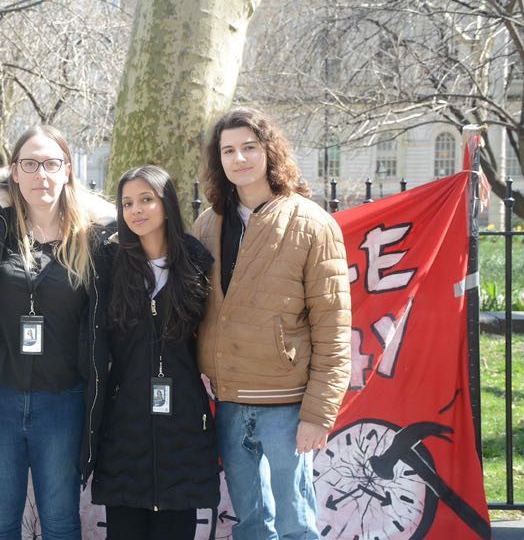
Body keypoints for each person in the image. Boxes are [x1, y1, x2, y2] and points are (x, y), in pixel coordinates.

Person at [0, 125, 115, 540]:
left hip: (64, 404)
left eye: (52, 164)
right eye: (30, 164)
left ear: (68, 171)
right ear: (14, 173)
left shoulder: (96, 237)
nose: (42, 175)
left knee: (59, 521)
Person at [192, 108, 351, 539]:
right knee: (249, 524)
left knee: (296, 524)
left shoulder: (311, 223)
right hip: (228, 400)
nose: (239, 158)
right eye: (228, 150)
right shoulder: (208, 223)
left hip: (287, 404)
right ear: (218, 159)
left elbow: (334, 329)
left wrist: (318, 414)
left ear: (269, 151)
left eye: (249, 147)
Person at [91, 165, 219, 540]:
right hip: (124, 419)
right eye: (127, 203)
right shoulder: (108, 264)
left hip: (183, 421)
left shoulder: (197, 262)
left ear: (167, 204)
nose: (136, 210)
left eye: (146, 199)